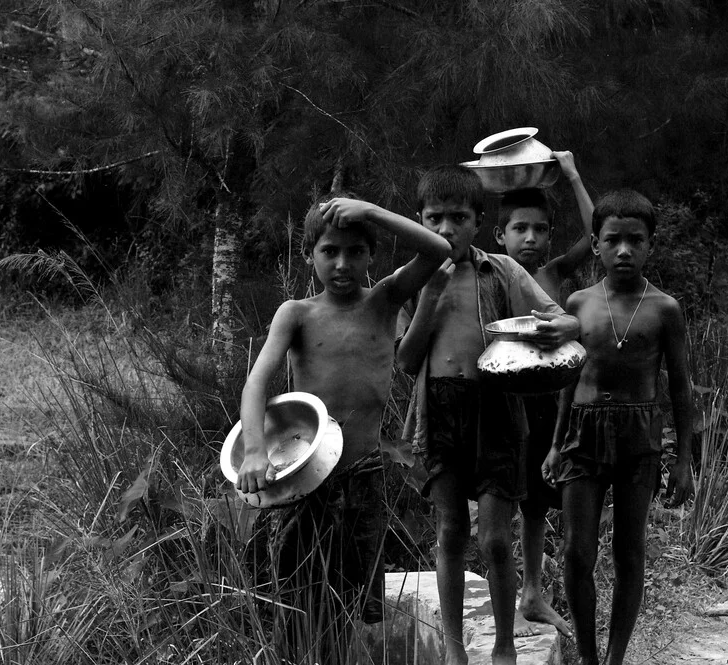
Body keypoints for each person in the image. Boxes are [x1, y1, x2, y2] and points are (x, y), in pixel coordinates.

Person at [236, 192, 451, 663]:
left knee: (348, 606)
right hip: (305, 483)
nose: (342, 263)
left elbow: (438, 250)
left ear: (371, 255)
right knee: (297, 604)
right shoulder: (295, 314)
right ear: (310, 255)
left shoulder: (385, 301)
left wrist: (371, 212)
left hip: (363, 480)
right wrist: (254, 450)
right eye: (329, 251)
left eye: (355, 251)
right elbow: (256, 384)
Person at [396, 164, 581, 665]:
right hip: (439, 412)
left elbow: (564, 318)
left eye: (458, 218)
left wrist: (558, 328)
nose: (445, 230)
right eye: (434, 218)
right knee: (451, 531)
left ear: (479, 222)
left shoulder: (501, 270)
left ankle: (504, 646)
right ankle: (455, 649)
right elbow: (406, 361)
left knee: (497, 538)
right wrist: (430, 295)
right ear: (419, 220)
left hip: (497, 412)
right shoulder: (411, 281)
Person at [542, 189, 694, 665]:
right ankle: (587, 656)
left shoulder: (664, 308)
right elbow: (568, 378)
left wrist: (683, 459)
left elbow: (682, 387)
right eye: (613, 240)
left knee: (630, 552)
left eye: (635, 240)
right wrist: (554, 444)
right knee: (576, 552)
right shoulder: (579, 302)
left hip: (639, 435)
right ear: (595, 244)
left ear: (651, 245)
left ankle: (614, 658)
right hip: (581, 434)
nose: (623, 250)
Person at [491, 151, 594, 639]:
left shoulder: (552, 274)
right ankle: (507, 596)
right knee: (497, 504)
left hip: (548, 408)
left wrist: (570, 174)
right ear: (499, 235)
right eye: (519, 229)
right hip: (498, 404)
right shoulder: (487, 273)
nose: (530, 238)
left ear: (550, 236)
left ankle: (531, 592)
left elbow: (598, 237)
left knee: (536, 502)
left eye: (539, 229)